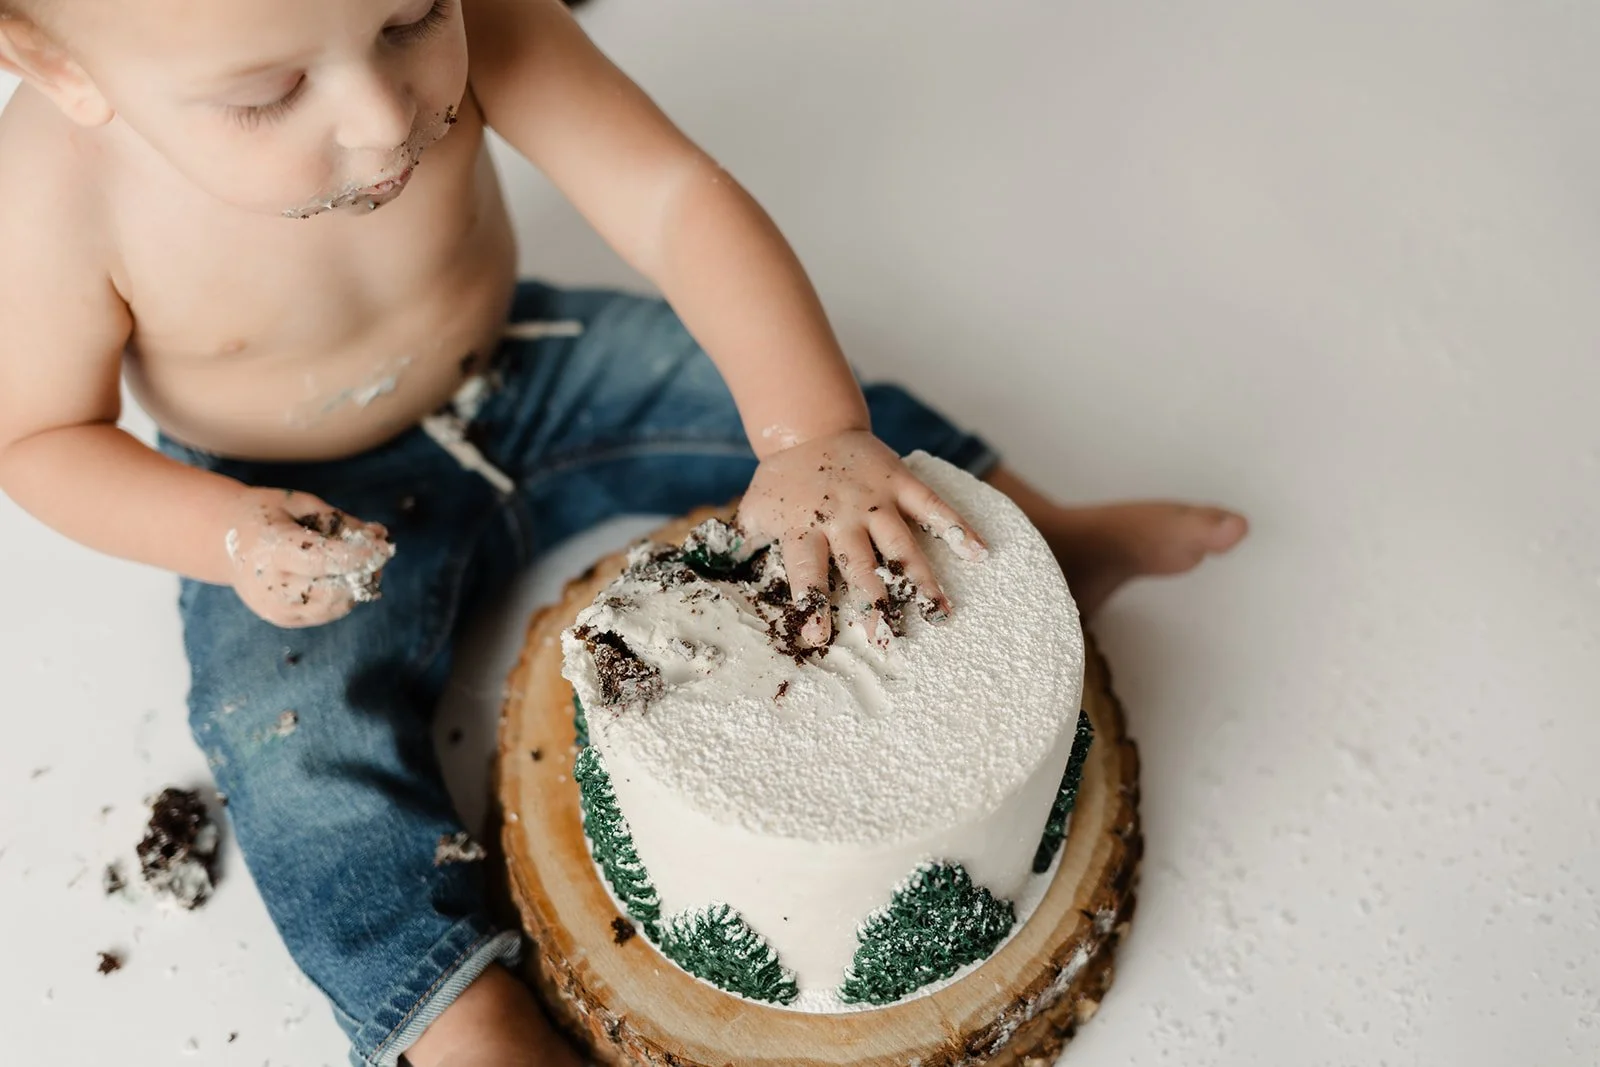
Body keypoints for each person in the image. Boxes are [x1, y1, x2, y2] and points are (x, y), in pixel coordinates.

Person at [0, 1, 1246, 1064]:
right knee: (292, 745)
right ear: (63, 67)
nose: (383, 113)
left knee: (824, 431)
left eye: (408, 17)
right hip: (287, 496)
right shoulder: (51, 194)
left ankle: (1031, 533)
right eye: (268, 93)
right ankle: (454, 1009)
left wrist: (807, 427)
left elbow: (669, 196)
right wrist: (222, 536)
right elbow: (38, 441)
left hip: (531, 369)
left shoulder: (482, 19)